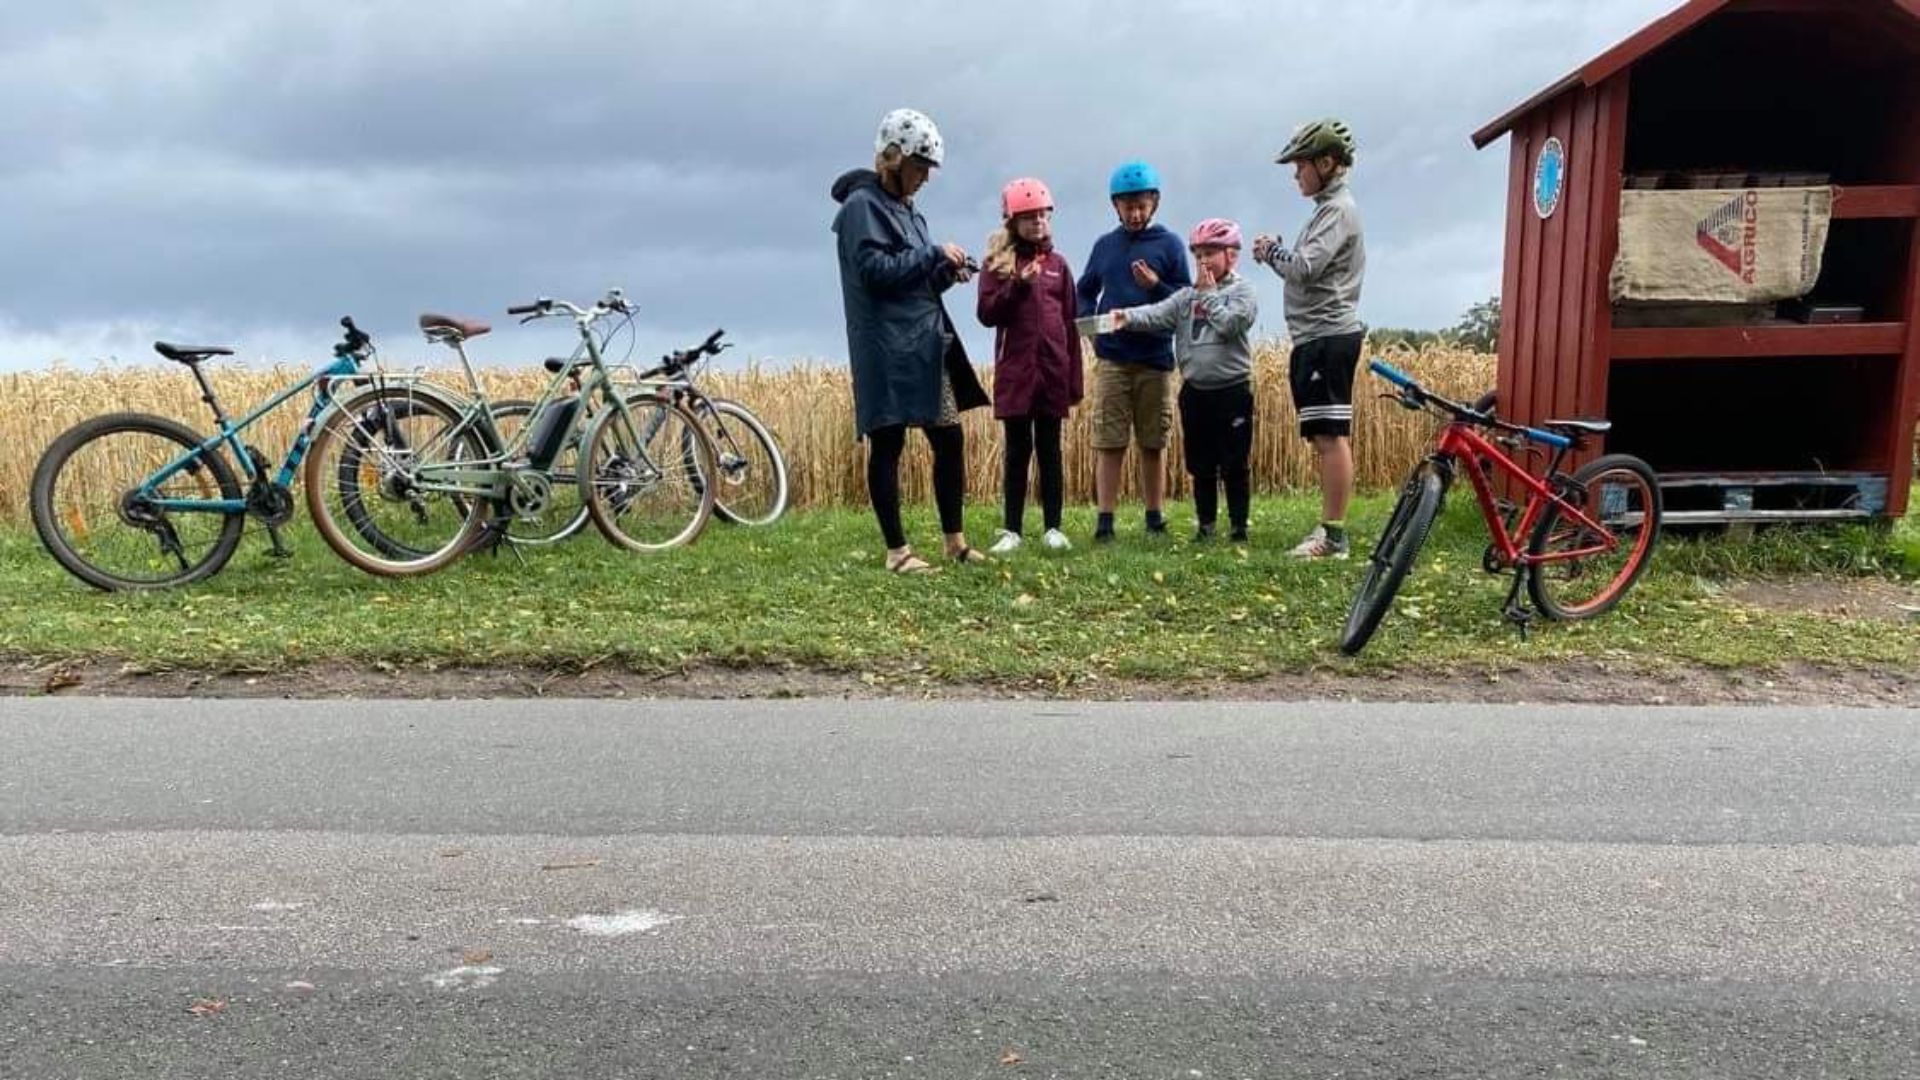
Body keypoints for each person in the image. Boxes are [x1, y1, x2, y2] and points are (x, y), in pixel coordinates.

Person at [830, 107, 991, 573]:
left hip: (924, 346)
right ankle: (897, 552)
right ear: (894, 158)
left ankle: (955, 543)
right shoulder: (860, 208)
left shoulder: (910, 213)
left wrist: (945, 272)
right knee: (888, 444)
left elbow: (914, 282)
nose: (925, 178)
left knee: (950, 439)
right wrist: (933, 254)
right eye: (920, 167)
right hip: (885, 348)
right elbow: (875, 273)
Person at [1252, 118, 1366, 560]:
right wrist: (1279, 253)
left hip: (1327, 335)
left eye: (1300, 165)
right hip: (1315, 336)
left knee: (1329, 436)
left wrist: (1270, 252)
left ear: (1327, 162)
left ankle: (1334, 537)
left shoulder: (1338, 210)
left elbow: (1303, 268)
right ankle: (1330, 528)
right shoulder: (1326, 209)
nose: (1296, 174)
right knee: (1322, 434)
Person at [1109, 219, 1259, 542]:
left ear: (1231, 255)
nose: (1203, 261)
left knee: (1234, 463)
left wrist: (1208, 297)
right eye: (1198, 255)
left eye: (1210, 253)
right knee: (1200, 464)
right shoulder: (1185, 297)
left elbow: (1231, 325)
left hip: (1232, 390)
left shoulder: (1242, 292)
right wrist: (1126, 317)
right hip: (1196, 392)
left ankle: (1238, 527)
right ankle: (1206, 526)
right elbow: (1157, 313)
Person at [1075, 160, 1192, 543]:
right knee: (1109, 440)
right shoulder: (1105, 246)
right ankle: (1105, 521)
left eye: (1142, 206)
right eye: (1128, 207)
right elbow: (1084, 290)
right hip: (1112, 358)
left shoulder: (1170, 245)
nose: (1135, 213)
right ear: (1116, 206)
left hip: (1155, 358)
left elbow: (1186, 300)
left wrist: (1156, 285)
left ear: (1154, 203)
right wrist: (1089, 327)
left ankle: (1154, 516)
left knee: (1153, 441)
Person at [977, 177, 1082, 554]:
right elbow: (986, 314)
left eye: (1042, 215)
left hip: (1053, 372)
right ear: (1012, 221)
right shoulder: (997, 264)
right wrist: (1018, 286)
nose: (1038, 222)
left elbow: (1070, 325)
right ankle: (1012, 530)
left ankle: (1054, 527)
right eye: (1029, 217)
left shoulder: (1059, 266)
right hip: (1016, 373)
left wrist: (1074, 381)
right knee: (1017, 452)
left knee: (1051, 451)